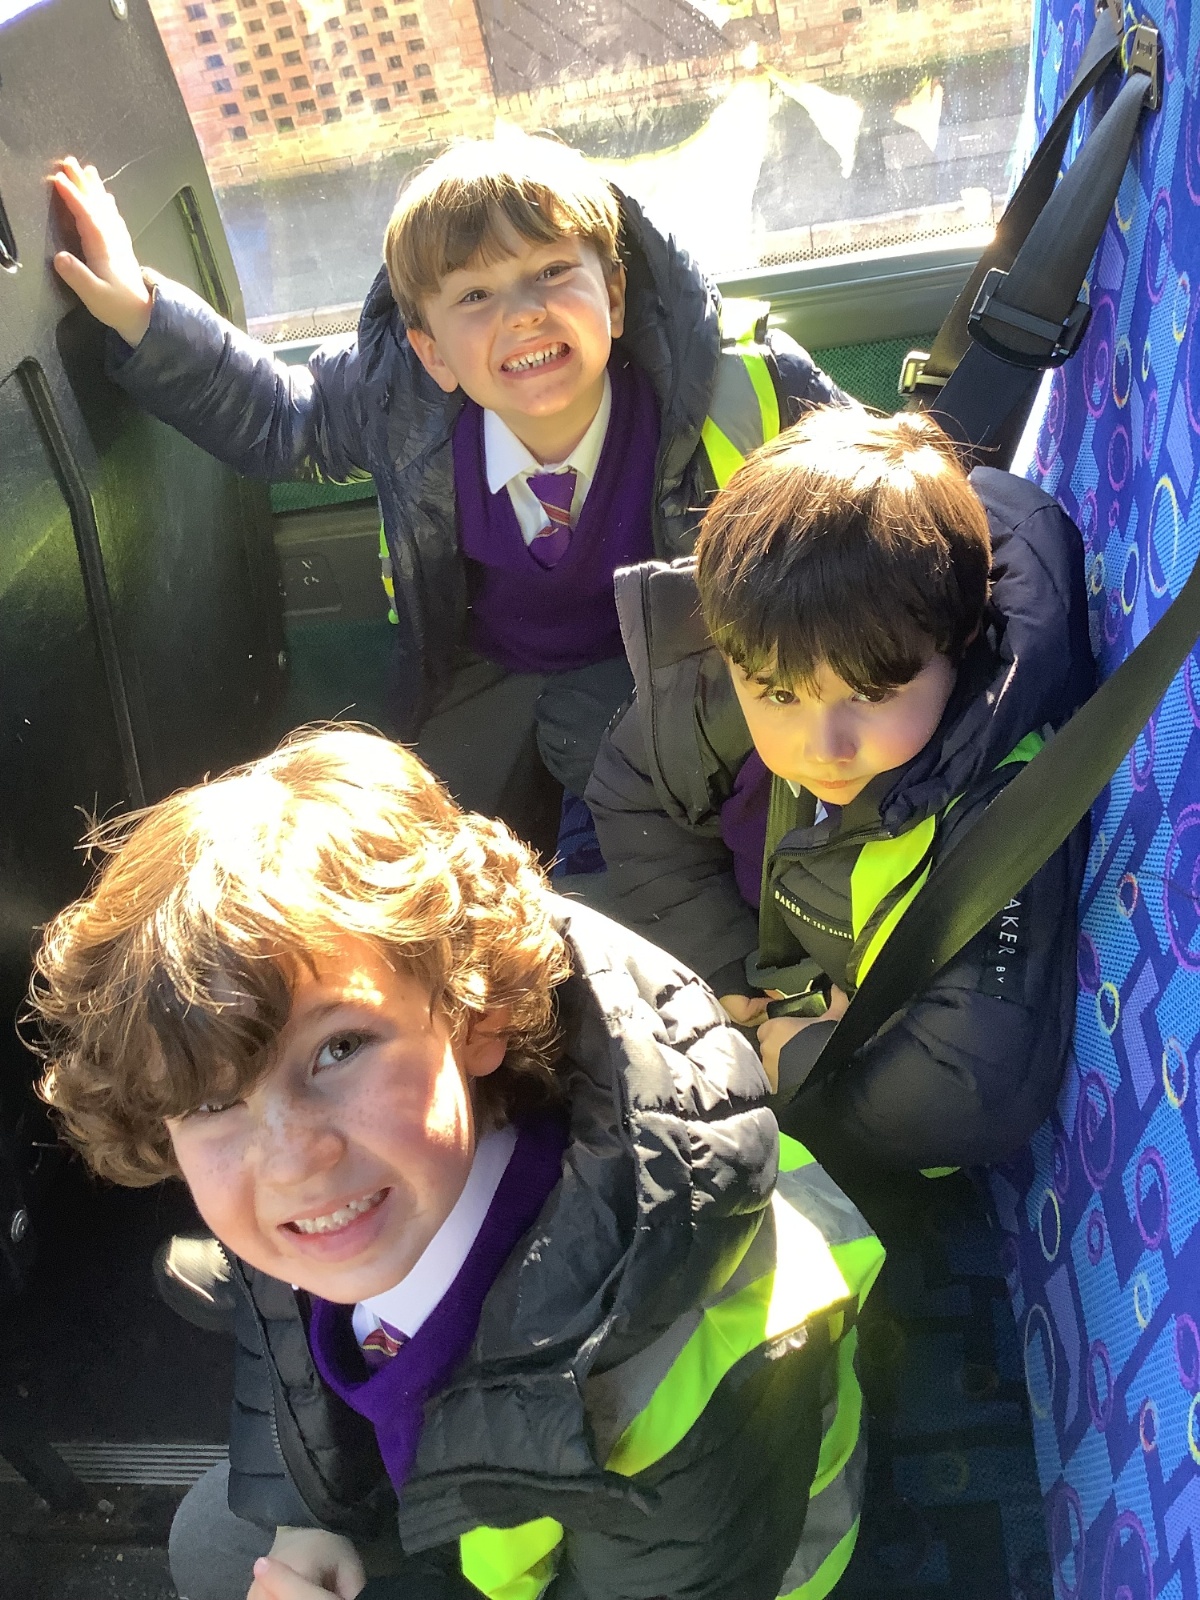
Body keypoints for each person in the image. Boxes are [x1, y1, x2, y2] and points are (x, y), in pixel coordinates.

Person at [29, 726, 882, 1600]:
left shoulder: (676, 1378)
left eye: (339, 1049)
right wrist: (303, 1516)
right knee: (217, 1537)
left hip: (674, 1550)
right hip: (462, 1483)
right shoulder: (357, 1194)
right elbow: (277, 1307)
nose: (291, 1161)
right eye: (211, 1105)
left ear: (475, 1019)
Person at [48, 138, 843, 819]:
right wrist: (140, 313)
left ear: (614, 295)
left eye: (551, 270)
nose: (523, 312)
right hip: (483, 666)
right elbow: (284, 418)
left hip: (663, 673)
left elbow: (873, 488)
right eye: (475, 295)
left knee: (648, 836)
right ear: (431, 351)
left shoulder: (738, 389)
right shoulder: (401, 401)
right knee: (421, 845)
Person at [585, 408, 1095, 1200]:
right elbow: (631, 785)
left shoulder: (1002, 808)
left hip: (868, 1097)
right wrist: (719, 964)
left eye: (871, 695)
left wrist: (803, 1060)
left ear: (961, 640)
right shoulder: (772, 643)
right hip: (756, 968)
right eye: (779, 696)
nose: (822, 745)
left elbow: (971, 1085)